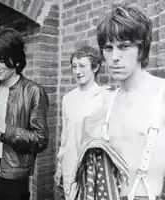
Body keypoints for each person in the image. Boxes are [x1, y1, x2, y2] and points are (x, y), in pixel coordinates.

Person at [93, 3, 165, 200]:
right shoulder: (106, 101)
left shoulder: (162, 95)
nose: (114, 57)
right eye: (108, 48)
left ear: (141, 49)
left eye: (124, 46)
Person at [0, 27, 49, 200]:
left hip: (15, 173)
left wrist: (4, 128)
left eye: (1, 60)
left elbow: (41, 139)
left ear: (16, 58)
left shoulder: (33, 91)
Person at [54, 45, 108, 200]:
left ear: (95, 67)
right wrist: (60, 166)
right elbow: (65, 136)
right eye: (74, 66)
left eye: (82, 66)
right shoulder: (68, 99)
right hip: (70, 166)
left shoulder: (104, 97)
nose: (77, 71)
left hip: (93, 169)